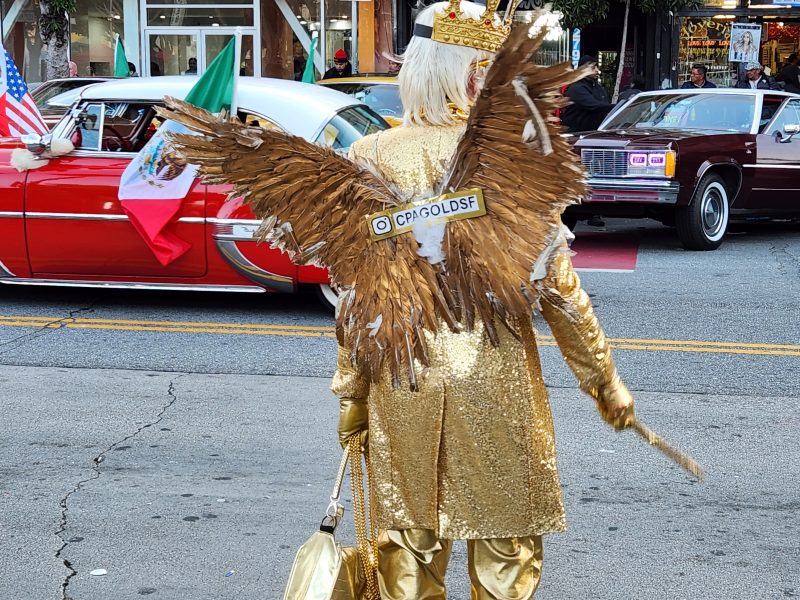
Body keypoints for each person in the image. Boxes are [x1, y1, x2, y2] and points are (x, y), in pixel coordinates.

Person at [333, 4, 634, 597]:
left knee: (408, 548)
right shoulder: (515, 158)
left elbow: (358, 301)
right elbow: (561, 292)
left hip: (404, 378)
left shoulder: (369, 157)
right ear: (475, 73)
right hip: (495, 380)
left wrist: (352, 392)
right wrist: (602, 380)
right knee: (506, 551)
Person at [560, 55, 615, 133]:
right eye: (593, 68)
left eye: (596, 67)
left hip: (593, 133)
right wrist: (617, 107)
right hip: (576, 135)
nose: (597, 70)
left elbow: (603, 105)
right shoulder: (577, 88)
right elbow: (594, 105)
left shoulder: (598, 87)